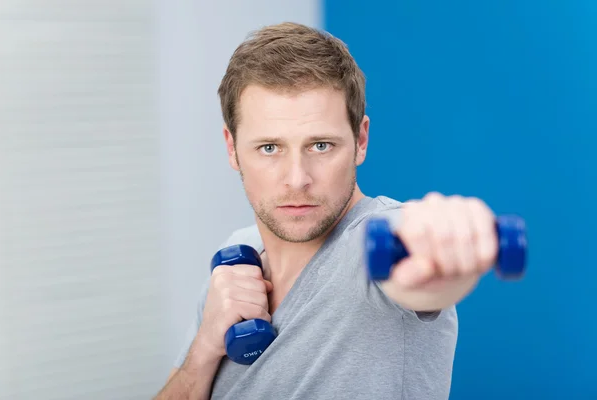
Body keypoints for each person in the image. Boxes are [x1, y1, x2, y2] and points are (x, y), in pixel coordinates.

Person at [155, 22, 500, 400]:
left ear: (361, 140)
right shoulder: (236, 262)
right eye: (269, 148)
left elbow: (419, 266)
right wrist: (203, 350)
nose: (297, 179)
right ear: (232, 148)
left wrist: (443, 249)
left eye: (320, 145)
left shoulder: (375, 246)